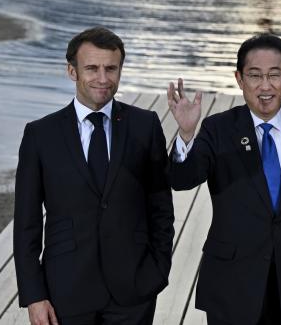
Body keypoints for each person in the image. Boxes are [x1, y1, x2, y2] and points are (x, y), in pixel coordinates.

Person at [167, 33, 281, 325]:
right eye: (255, 75)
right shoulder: (217, 128)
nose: (265, 86)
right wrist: (185, 134)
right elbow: (183, 179)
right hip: (231, 281)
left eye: (275, 75)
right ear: (239, 78)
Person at [14, 26, 174, 325]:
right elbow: (27, 224)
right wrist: (34, 295)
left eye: (111, 68)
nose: (103, 78)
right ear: (72, 72)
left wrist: (157, 270)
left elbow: (161, 206)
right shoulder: (40, 135)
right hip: (66, 288)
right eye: (92, 68)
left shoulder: (145, 125)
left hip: (134, 288)